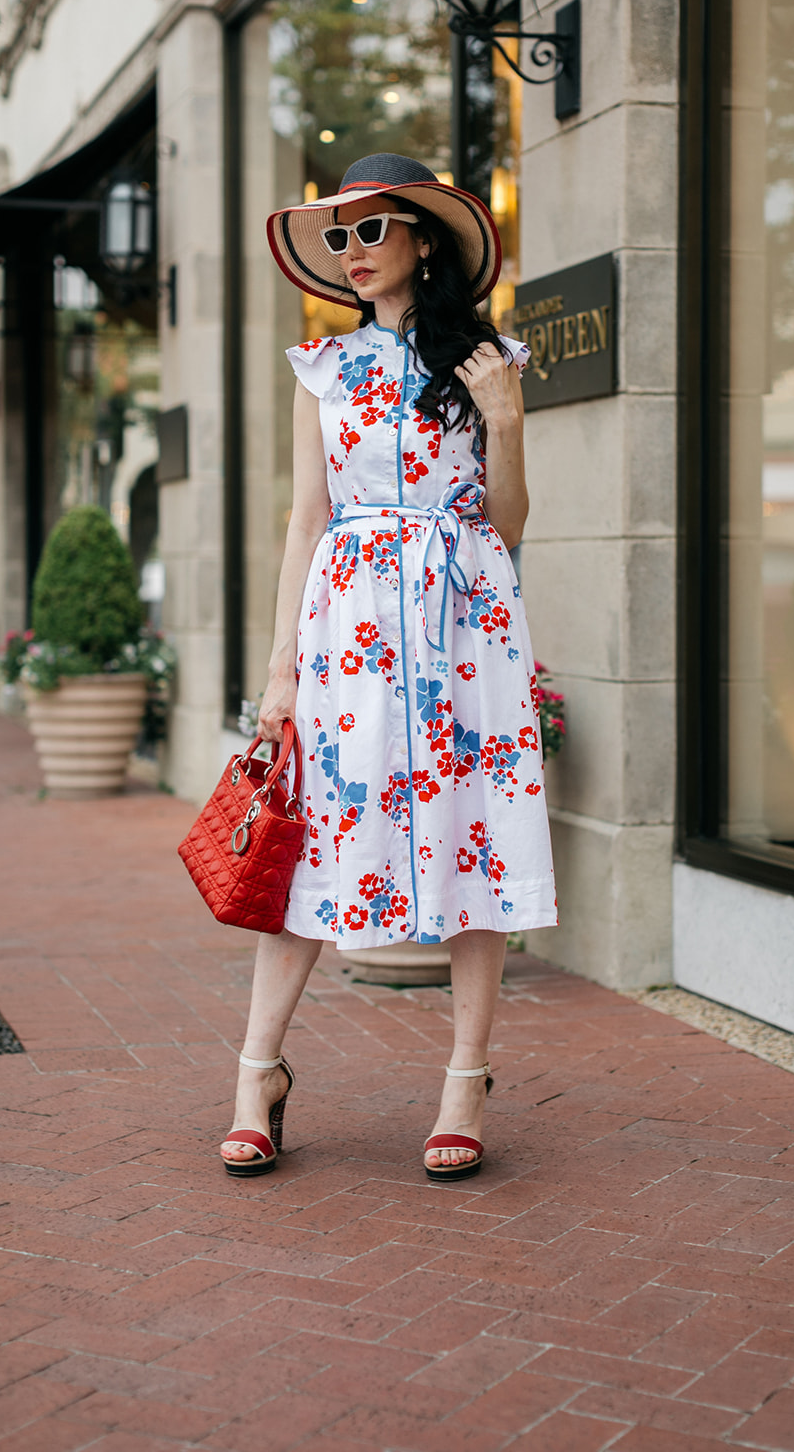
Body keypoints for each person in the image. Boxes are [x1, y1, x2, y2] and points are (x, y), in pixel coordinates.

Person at [220, 154, 557, 1183]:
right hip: (347, 631)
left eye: (371, 230)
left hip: (463, 627)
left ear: (423, 237)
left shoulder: (490, 359)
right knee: (313, 843)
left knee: (476, 844)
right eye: (339, 235)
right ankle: (255, 1074)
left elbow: (505, 528)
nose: (351, 252)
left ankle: (465, 1077)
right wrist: (279, 670)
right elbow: (304, 519)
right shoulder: (321, 369)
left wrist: (500, 418)